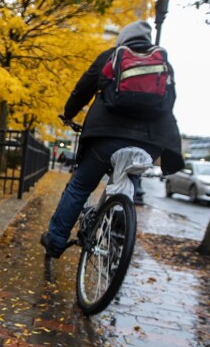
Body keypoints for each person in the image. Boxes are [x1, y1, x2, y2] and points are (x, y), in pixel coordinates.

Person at [40, 20, 184, 258]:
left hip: (106, 136)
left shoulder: (111, 56)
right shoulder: (163, 63)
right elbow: (170, 101)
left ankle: (55, 241)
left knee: (79, 187)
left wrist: (68, 114)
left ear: (123, 40)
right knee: (130, 182)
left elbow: (83, 88)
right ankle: (118, 235)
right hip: (147, 142)